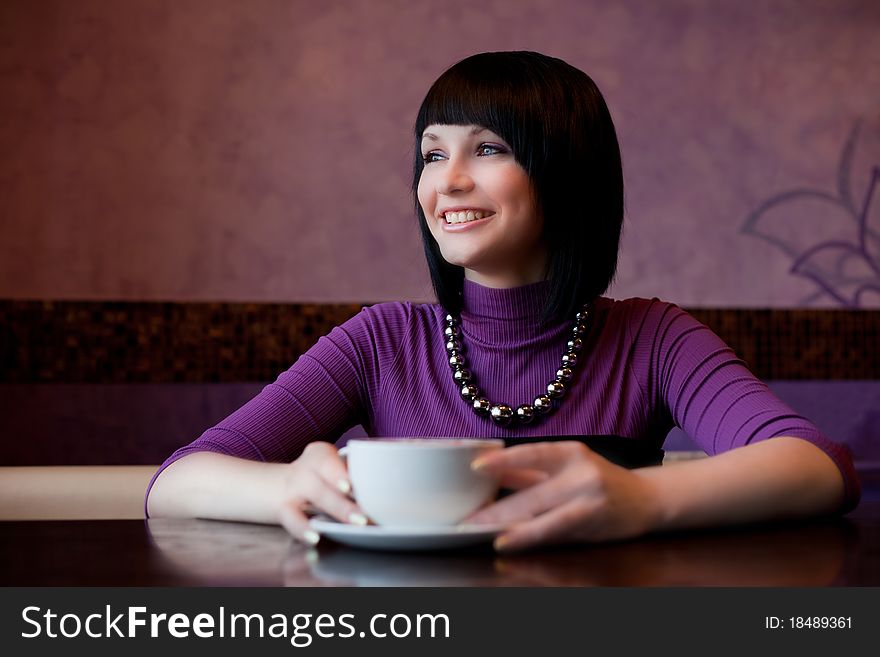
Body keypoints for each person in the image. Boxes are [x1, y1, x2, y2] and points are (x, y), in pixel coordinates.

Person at [146, 51, 860, 552]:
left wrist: (641, 501)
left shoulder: (653, 336)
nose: (448, 181)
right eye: (432, 153)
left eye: (488, 149)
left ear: (565, 173)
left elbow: (818, 466)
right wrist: (287, 487)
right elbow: (176, 482)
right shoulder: (381, 339)